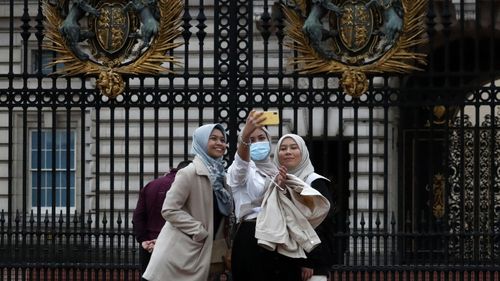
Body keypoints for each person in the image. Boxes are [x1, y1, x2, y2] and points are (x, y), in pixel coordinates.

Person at [142, 123, 233, 281]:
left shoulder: (221, 177)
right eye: (213, 138)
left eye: (222, 139)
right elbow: (169, 209)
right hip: (178, 255)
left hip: (200, 254)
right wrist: (199, 231)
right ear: (201, 142)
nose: (220, 143)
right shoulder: (189, 172)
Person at [227, 110, 304, 281]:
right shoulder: (239, 169)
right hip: (252, 235)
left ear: (269, 141)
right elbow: (241, 166)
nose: (257, 143)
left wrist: (282, 186)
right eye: (251, 140)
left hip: (280, 235)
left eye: (261, 138)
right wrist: (244, 137)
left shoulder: (276, 170)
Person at [274, 134, 336, 281]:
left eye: (294, 148)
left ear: (303, 152)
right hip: (282, 263)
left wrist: (308, 261)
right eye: (283, 148)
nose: (288, 151)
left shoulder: (314, 182)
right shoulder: (275, 182)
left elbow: (321, 224)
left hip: (311, 266)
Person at [132, 160, 192, 278]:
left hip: (149, 246)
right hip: (176, 247)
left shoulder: (151, 185)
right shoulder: (188, 186)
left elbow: (138, 216)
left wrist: (143, 240)